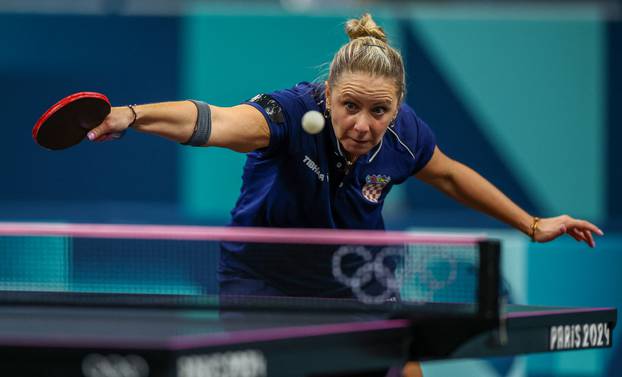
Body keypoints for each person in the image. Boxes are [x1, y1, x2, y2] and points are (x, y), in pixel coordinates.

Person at [87, 13, 603, 377]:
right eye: (350, 105)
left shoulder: (407, 136)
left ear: (397, 107)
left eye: (378, 111)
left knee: (405, 367)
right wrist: (130, 115)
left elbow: (448, 175)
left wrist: (532, 224)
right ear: (327, 93)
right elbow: (213, 121)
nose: (362, 124)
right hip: (264, 282)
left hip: (355, 278)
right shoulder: (288, 115)